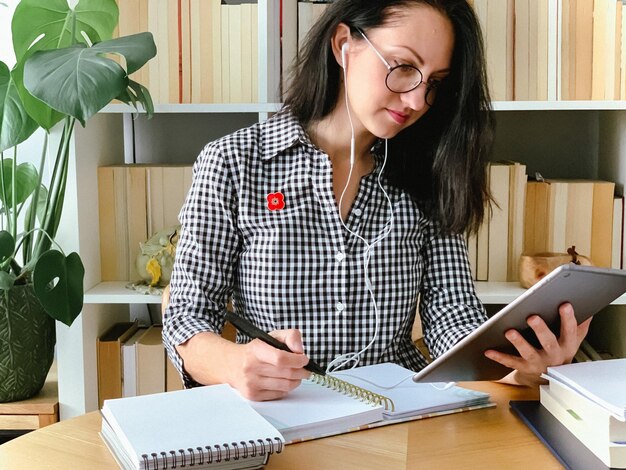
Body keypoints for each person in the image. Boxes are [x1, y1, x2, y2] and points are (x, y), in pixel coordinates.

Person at [163, 0, 591, 401]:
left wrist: (524, 368)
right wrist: (236, 364)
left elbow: (452, 315)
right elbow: (186, 314)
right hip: (281, 413)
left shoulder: (431, 171)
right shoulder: (235, 162)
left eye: (435, 83)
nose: (417, 100)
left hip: (399, 414)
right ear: (344, 44)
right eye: (404, 67)